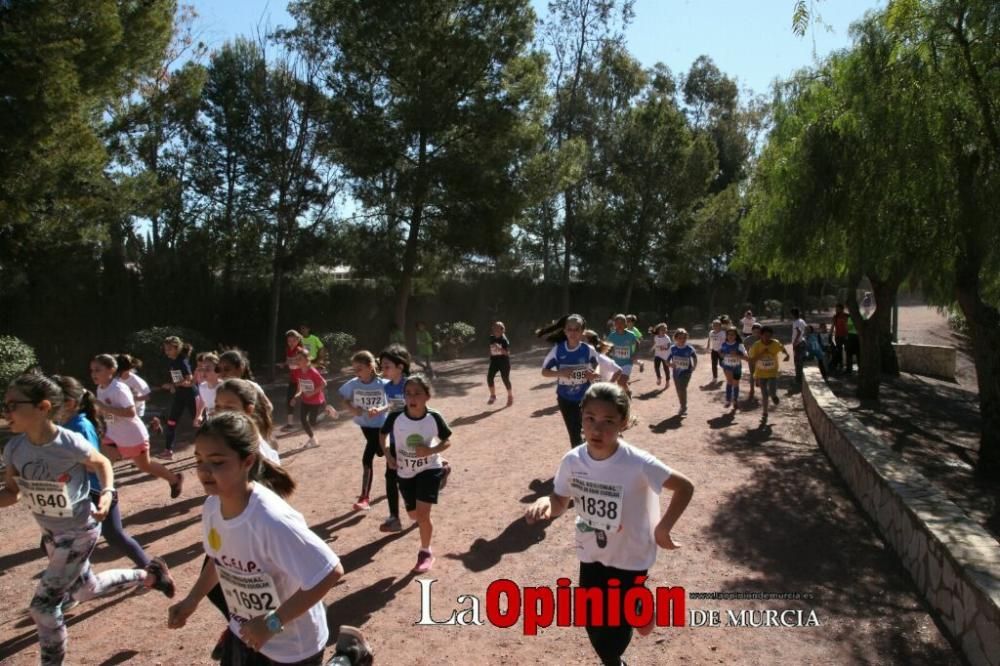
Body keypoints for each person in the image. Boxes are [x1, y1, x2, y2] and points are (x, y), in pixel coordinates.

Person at [2, 373, 175, 666]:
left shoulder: (68, 441)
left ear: (43, 407)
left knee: (44, 608)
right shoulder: (15, 449)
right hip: (51, 534)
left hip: (80, 531)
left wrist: (107, 492)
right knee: (86, 589)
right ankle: (150, 574)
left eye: (13, 405)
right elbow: (12, 493)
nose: (6, 412)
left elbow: (102, 462)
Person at [525, 382, 694, 666]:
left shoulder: (638, 462)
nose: (597, 429)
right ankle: (614, 661)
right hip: (591, 552)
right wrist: (546, 503)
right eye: (590, 419)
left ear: (623, 423)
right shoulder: (573, 461)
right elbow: (559, 501)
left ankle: (638, 607)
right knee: (594, 619)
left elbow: (685, 487)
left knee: (623, 623)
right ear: (582, 418)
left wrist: (663, 528)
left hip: (632, 555)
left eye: (608, 421)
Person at [167, 412, 344, 665]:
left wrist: (272, 622)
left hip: (294, 647)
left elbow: (330, 571)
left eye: (217, 462)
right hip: (248, 633)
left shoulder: (271, 520)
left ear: (247, 461)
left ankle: (348, 658)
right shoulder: (212, 508)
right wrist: (191, 600)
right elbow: (219, 561)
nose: (204, 471)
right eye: (199, 460)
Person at [54, 375, 151, 568]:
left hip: (97, 491)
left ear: (70, 403)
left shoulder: (80, 427)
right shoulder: (63, 424)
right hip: (75, 491)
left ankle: (152, 570)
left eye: (53, 401)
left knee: (114, 536)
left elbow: (93, 464)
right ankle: (76, 584)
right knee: (58, 542)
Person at [381, 375, 454, 573]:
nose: (412, 398)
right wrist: (388, 455)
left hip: (428, 467)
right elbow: (383, 435)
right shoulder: (396, 417)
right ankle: (444, 473)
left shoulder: (434, 417)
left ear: (427, 397)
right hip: (405, 471)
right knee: (413, 516)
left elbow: (447, 440)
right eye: (408, 393)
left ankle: (425, 552)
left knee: (423, 515)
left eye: (417, 393)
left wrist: (431, 451)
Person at [91, 354, 184, 499]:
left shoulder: (119, 388)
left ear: (111, 370)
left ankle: (174, 480)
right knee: (103, 463)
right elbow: (108, 412)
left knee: (144, 465)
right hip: (113, 435)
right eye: (92, 370)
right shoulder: (100, 389)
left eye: (98, 370)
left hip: (132, 435)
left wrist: (104, 408)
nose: (93, 374)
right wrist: (104, 420)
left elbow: (130, 412)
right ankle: (102, 496)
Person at [338, 351, 390, 511]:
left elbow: (392, 403)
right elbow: (343, 398)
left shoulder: (383, 384)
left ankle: (364, 497)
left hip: (381, 425)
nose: (356, 372)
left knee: (369, 456)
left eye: (359, 369)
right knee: (382, 452)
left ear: (370, 367)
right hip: (365, 425)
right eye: (354, 369)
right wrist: (352, 409)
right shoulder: (353, 383)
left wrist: (380, 409)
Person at [539, 314, 600, 448]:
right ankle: (579, 462)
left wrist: (594, 373)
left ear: (582, 331)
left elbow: (597, 365)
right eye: (569, 329)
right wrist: (561, 373)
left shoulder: (588, 350)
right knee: (574, 434)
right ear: (565, 331)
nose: (572, 332)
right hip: (565, 399)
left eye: (576, 329)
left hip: (586, 398)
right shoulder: (558, 350)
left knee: (590, 430)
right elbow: (544, 371)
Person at [377, 344, 411, 533]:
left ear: (400, 366)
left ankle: (439, 472)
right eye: (382, 366)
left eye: (387, 365)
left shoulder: (410, 384)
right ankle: (394, 518)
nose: (384, 369)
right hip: (395, 439)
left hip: (412, 439)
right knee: (391, 475)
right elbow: (393, 408)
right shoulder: (388, 387)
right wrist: (380, 410)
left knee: (411, 478)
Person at [159, 336, 197, 459]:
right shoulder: (173, 361)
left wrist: (171, 385)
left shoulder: (182, 361)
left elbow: (189, 379)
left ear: (177, 348)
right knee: (171, 421)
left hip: (191, 395)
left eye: (169, 349)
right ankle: (168, 451)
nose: (166, 352)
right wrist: (174, 387)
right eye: (165, 349)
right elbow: (178, 379)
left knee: (199, 422)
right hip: (180, 395)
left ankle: (209, 449)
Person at [749, 326, 791, 422]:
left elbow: (782, 348)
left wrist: (787, 355)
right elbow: (752, 360)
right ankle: (765, 413)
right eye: (765, 335)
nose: (767, 337)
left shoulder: (775, 343)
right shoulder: (756, 345)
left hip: (772, 372)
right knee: (764, 395)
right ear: (761, 335)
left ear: (771, 336)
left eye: (769, 335)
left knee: (772, 389)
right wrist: (762, 353)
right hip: (761, 373)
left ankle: (774, 396)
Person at [290, 348, 328, 449]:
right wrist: (295, 397)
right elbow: (299, 388)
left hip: (316, 401)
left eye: (300, 359)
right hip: (305, 401)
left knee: (312, 422)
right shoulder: (298, 372)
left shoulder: (313, 371)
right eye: (297, 359)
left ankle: (326, 412)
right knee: (303, 419)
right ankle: (313, 439)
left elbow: (324, 383)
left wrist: (312, 393)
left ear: (307, 360)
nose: (298, 361)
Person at [218, 348, 274, 414]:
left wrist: (250, 418)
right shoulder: (222, 388)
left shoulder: (250, 386)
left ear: (240, 369)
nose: (222, 374)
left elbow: (268, 407)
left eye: (227, 369)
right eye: (219, 370)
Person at [666, 329, 697, 415]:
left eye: (684, 338)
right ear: (675, 338)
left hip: (687, 372)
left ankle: (683, 407)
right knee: (679, 389)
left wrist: (694, 366)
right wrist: (670, 364)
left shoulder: (689, 348)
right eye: (680, 338)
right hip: (676, 373)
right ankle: (682, 405)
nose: (682, 340)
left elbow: (694, 357)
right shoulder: (672, 349)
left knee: (682, 388)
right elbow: (667, 360)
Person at [280, 331, 306, 432]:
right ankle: (290, 424)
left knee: (307, 399)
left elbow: (305, 363)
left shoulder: (300, 351)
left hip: (302, 379)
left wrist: (296, 364)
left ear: (298, 340)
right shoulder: (288, 349)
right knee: (289, 400)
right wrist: (284, 364)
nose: (291, 342)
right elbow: (288, 360)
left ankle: (322, 410)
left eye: (293, 340)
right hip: (293, 380)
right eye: (289, 340)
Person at [720, 328, 749, 411]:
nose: (730, 336)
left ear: (736, 336)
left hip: (737, 367)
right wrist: (722, 354)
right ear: (726, 336)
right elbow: (721, 355)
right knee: (729, 382)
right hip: (727, 367)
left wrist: (737, 355)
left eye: (732, 334)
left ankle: (735, 400)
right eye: (729, 334)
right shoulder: (724, 344)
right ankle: (728, 400)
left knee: (735, 384)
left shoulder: (740, 345)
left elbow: (746, 358)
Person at [606, 314, 640, 386]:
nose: (619, 325)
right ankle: (628, 393)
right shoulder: (612, 336)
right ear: (614, 324)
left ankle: (625, 394)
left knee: (621, 382)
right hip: (616, 364)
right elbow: (606, 346)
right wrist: (607, 354)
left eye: (622, 323)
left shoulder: (631, 335)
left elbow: (637, 343)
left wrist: (635, 354)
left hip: (627, 363)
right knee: (618, 383)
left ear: (625, 324)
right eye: (617, 323)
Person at [115, 354, 151, 420]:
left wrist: (134, 398)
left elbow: (148, 396)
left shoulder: (137, 381)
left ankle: (154, 426)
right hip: (124, 410)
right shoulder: (116, 379)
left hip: (137, 412)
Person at [486, 321, 514, 406]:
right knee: (489, 377)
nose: (495, 329)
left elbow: (507, 353)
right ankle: (493, 395)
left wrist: (499, 348)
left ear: (502, 330)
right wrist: (491, 354)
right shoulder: (491, 338)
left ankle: (510, 396)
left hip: (504, 362)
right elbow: (491, 348)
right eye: (494, 328)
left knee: (505, 378)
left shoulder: (504, 340)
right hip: (494, 361)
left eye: (498, 328)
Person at [194, 352, 222, 428]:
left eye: (208, 369)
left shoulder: (223, 387)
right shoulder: (202, 387)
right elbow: (203, 401)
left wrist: (218, 412)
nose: (204, 372)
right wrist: (199, 415)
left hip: (224, 424)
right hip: (211, 423)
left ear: (218, 371)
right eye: (202, 369)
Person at [743, 323, 762, 400]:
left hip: (761, 360)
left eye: (758, 332)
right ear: (752, 331)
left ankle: (759, 383)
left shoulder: (763, 339)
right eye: (755, 332)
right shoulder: (747, 340)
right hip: (751, 359)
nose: (757, 334)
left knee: (760, 374)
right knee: (752, 374)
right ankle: (752, 389)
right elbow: (745, 350)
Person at [790, 308, 808, 385]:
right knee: (800, 362)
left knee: (797, 362)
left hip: (798, 344)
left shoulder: (795, 322)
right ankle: (799, 379)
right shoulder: (802, 321)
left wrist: (795, 342)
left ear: (793, 314)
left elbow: (799, 332)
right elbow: (805, 330)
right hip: (802, 342)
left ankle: (798, 380)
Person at [831, 303, 850, 372]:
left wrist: (848, 335)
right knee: (839, 351)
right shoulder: (835, 317)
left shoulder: (847, 316)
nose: (836, 310)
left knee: (847, 351)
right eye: (836, 308)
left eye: (838, 308)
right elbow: (833, 326)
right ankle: (840, 365)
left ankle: (848, 367)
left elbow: (848, 326)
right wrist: (830, 334)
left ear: (842, 309)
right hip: (838, 336)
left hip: (846, 336)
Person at [651, 323, 671, 388]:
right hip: (657, 355)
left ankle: (667, 381)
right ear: (658, 330)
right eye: (662, 329)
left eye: (665, 329)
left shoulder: (667, 338)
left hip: (665, 356)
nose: (664, 331)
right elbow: (655, 344)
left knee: (666, 369)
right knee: (656, 367)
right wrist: (652, 349)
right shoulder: (656, 337)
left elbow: (668, 346)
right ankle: (659, 378)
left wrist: (664, 348)